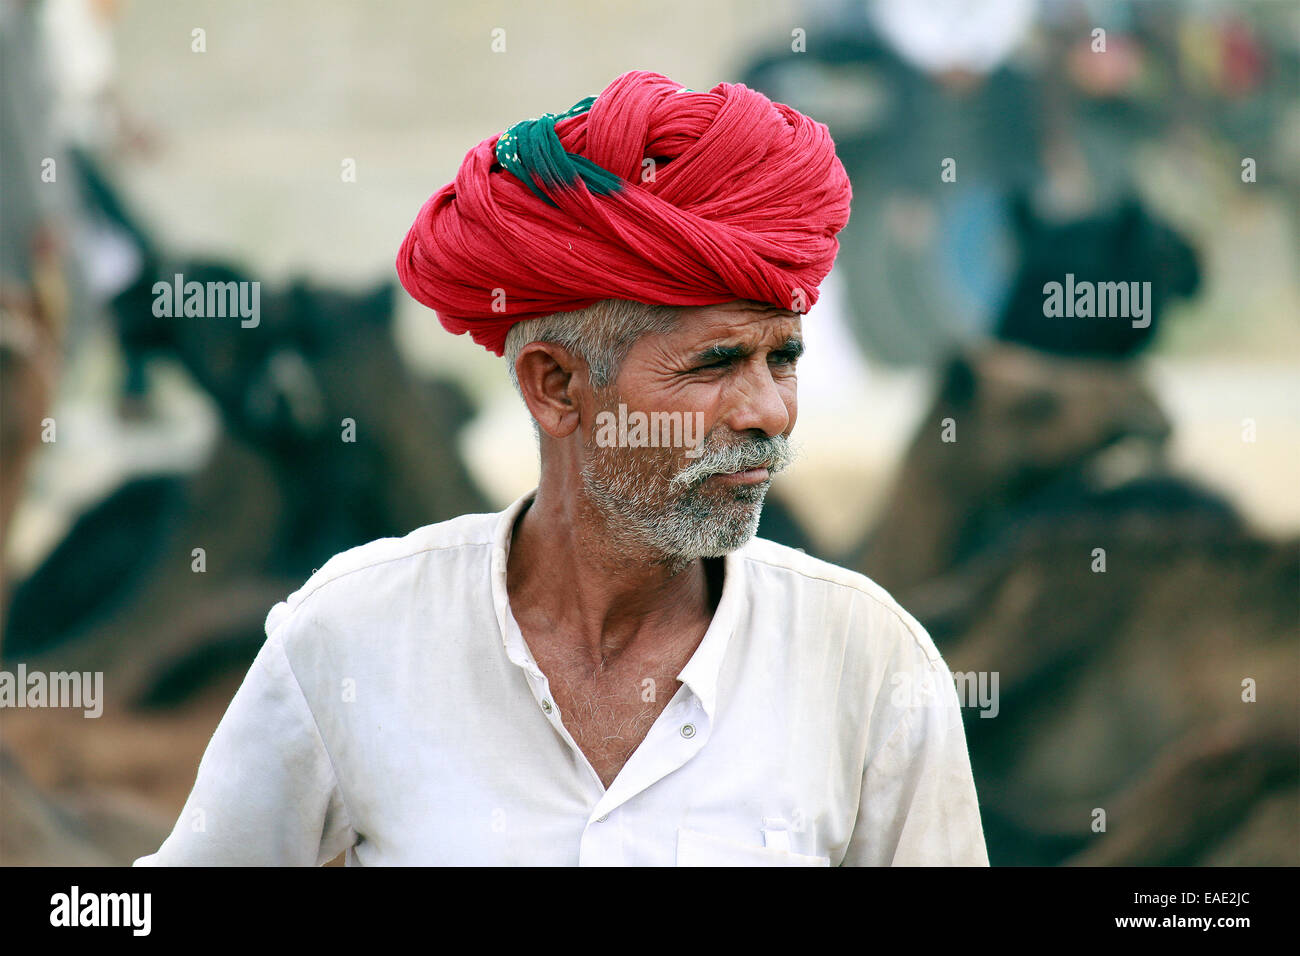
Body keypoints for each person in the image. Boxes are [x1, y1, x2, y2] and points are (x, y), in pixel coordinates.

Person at [135, 70, 987, 866]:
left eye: (783, 358)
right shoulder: (350, 640)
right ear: (556, 388)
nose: (767, 410)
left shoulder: (870, 666)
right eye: (717, 363)